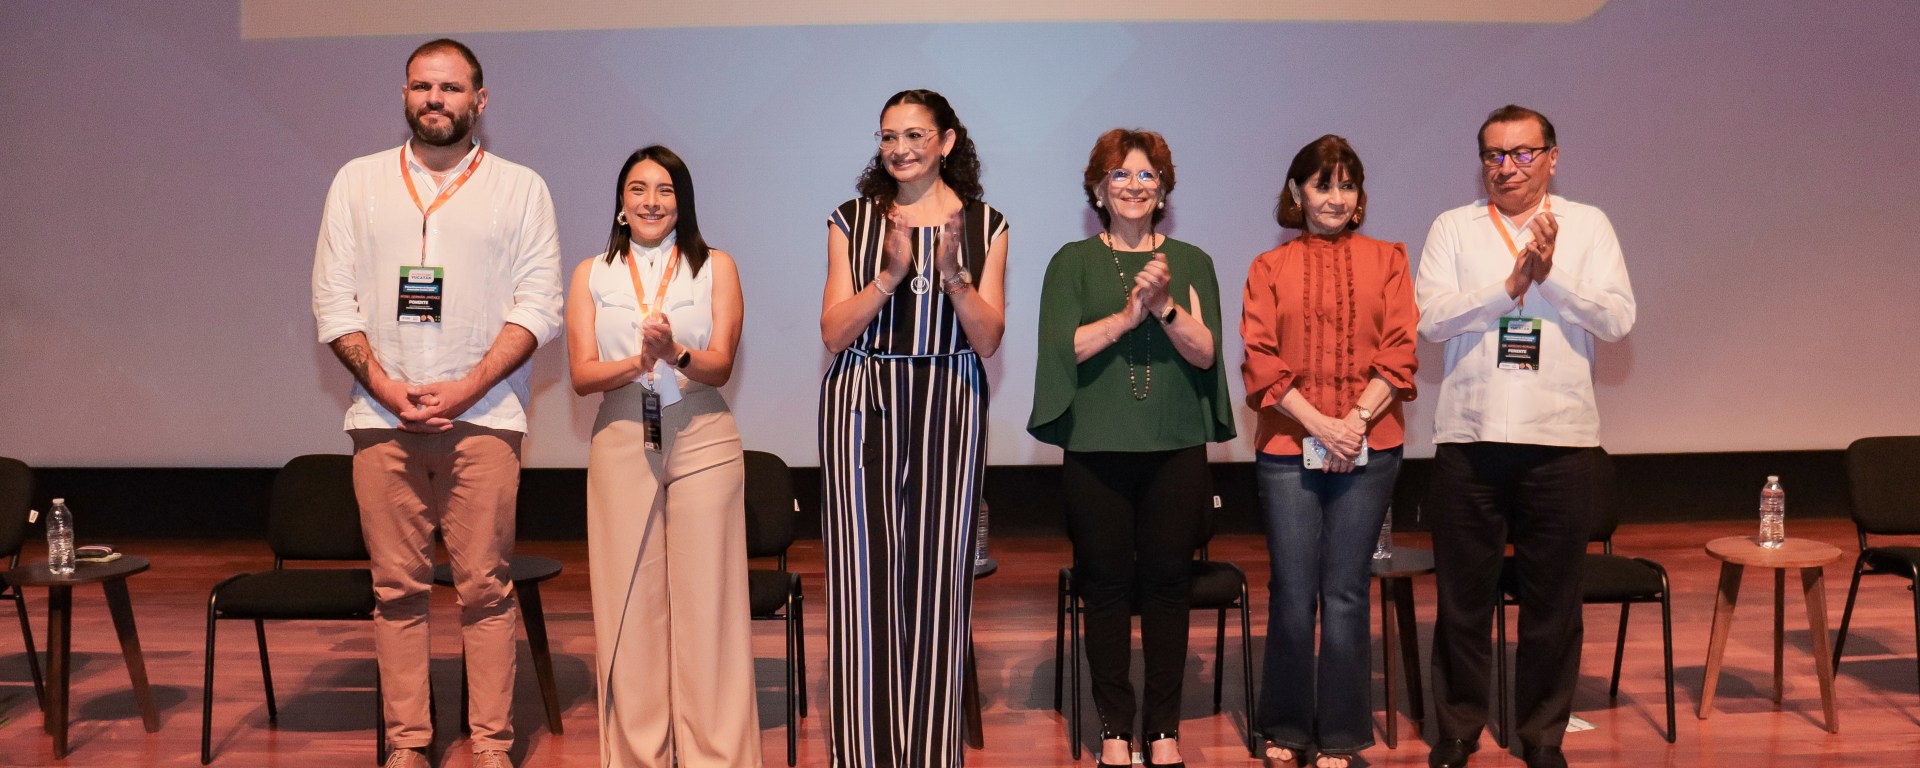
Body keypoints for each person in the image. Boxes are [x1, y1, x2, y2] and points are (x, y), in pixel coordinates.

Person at [310, 38, 562, 768]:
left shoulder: (521, 188)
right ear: (404, 94)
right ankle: (407, 746)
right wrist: (387, 388)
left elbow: (540, 305)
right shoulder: (357, 181)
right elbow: (332, 301)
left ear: (479, 100)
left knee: (486, 591)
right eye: (422, 86)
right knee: (396, 592)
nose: (435, 100)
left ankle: (491, 745)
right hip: (380, 419)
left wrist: (468, 385)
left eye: (450, 88)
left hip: (485, 418)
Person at [1416, 105, 1636, 768]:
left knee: (1552, 604)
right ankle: (1458, 729)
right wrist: (1507, 286)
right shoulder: (1453, 228)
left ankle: (1542, 736)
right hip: (1469, 439)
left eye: (1522, 153)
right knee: (1462, 601)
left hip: (1560, 443)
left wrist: (1551, 276)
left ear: (1552, 157)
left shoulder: (1588, 225)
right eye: (1494, 155)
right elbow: (1431, 320)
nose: (1506, 167)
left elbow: (1618, 320)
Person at [1028, 128, 1235, 768]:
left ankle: (1163, 730)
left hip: (1175, 447)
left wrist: (1165, 306)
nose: (1134, 185)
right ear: (1098, 189)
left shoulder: (1192, 261)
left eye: (1147, 175)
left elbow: (1207, 353)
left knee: (1169, 585)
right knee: (1107, 586)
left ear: (1164, 190)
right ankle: (1115, 729)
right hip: (1095, 451)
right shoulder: (1071, 261)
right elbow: (1062, 350)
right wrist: (1125, 317)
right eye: (1120, 174)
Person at [817, 88, 1008, 768]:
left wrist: (954, 278)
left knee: (937, 582)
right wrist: (889, 277)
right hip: (862, 398)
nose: (899, 148)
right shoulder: (852, 220)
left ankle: (929, 754)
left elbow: (988, 339)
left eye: (915, 135)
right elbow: (833, 333)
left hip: (949, 399)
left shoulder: (986, 224)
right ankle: (863, 755)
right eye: (888, 136)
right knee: (861, 581)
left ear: (946, 142)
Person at [566, 146, 760, 767]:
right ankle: (637, 755)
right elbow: (581, 374)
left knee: (710, 607)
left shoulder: (717, 266)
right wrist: (638, 361)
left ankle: (716, 757)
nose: (651, 201)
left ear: (684, 202)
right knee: (630, 605)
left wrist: (675, 353)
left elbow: (720, 365)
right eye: (638, 189)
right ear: (620, 204)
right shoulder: (591, 273)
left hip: (703, 431)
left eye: (665, 190)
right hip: (623, 432)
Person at [1240, 135, 1418, 768]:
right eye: (1323, 184)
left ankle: (1342, 735)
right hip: (1290, 447)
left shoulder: (1389, 259)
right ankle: (1288, 729)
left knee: (1345, 592)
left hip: (1372, 444)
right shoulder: (1268, 267)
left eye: (1347, 185)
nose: (1336, 198)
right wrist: (1323, 426)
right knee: (1293, 592)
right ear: (1297, 192)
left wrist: (1355, 422)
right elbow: (1260, 359)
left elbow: (1399, 351)